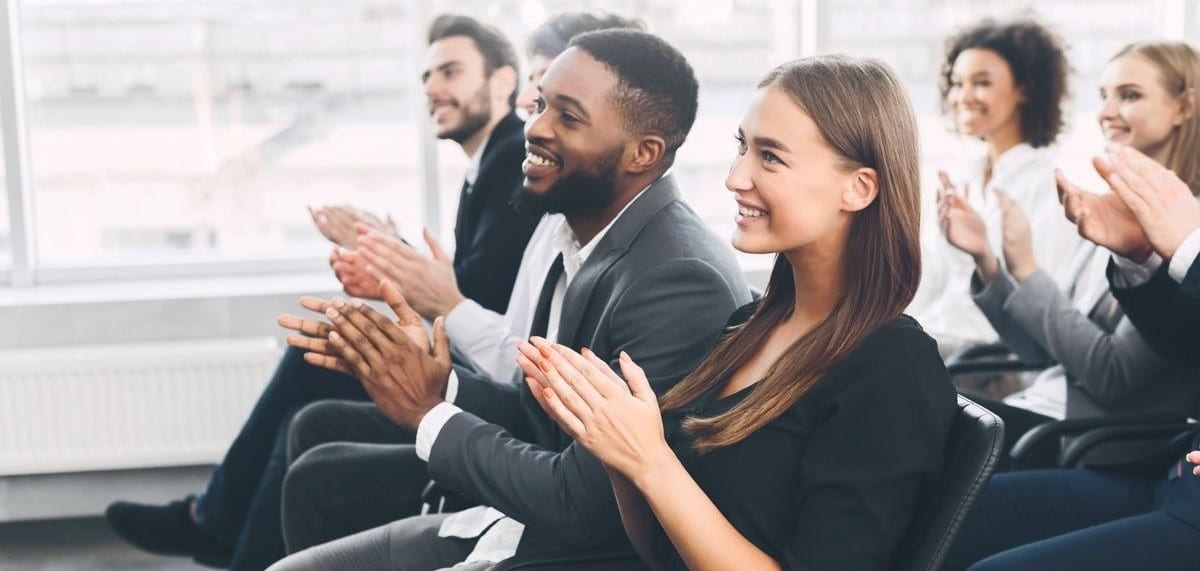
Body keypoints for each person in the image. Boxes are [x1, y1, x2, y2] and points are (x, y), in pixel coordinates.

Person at [269, 29, 750, 570]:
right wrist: (433, 378)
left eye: (567, 117)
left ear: (643, 153)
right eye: (540, 103)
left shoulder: (676, 279)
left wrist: (426, 411)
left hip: (578, 550)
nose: (535, 127)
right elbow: (538, 417)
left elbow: (581, 505)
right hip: (523, 523)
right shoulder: (578, 233)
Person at [104, 14, 538, 570]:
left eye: (449, 72)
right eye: (426, 77)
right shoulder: (489, 165)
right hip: (478, 358)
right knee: (313, 363)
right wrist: (391, 253)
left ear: (503, 81)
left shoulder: (510, 161)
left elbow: (473, 296)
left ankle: (215, 524)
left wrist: (391, 253)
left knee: (311, 366)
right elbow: (479, 283)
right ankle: (219, 526)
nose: (431, 89)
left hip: (487, 380)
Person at [515, 54, 956, 571]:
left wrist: (650, 460)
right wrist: (615, 447)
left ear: (858, 188)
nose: (735, 177)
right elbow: (660, 552)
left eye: (770, 157)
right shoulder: (750, 326)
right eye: (743, 147)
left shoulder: (892, 366)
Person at [944, 41, 1200, 571]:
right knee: (924, 497)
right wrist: (992, 265)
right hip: (1102, 433)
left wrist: (1029, 270)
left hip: (1098, 437)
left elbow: (1110, 372)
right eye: (1105, 95)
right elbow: (1042, 349)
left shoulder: (1181, 224)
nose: (1107, 111)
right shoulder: (1121, 213)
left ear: (1185, 106)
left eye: (1129, 95)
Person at [908, 18, 1079, 356]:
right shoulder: (961, 178)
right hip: (933, 338)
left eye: (981, 83)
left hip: (988, 355)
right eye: (957, 83)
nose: (963, 96)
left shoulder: (1048, 186)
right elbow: (928, 278)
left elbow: (1043, 299)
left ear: (1025, 90)